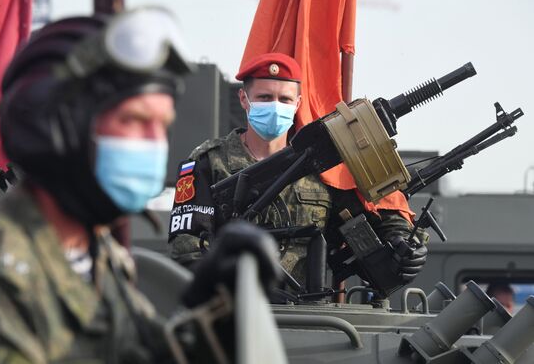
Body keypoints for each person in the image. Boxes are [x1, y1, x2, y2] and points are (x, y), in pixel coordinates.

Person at [0, 8, 280, 363]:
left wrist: (212, 311)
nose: (154, 145)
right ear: (59, 130)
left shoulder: (97, 255)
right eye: (135, 121)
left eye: (161, 126)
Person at [168, 52, 428, 290]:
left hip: (309, 318)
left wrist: (403, 244)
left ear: (298, 103)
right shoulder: (209, 161)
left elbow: (375, 219)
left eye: (284, 99)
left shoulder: (324, 167)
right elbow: (187, 247)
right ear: (244, 99)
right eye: (264, 98)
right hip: (232, 312)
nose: (275, 106)